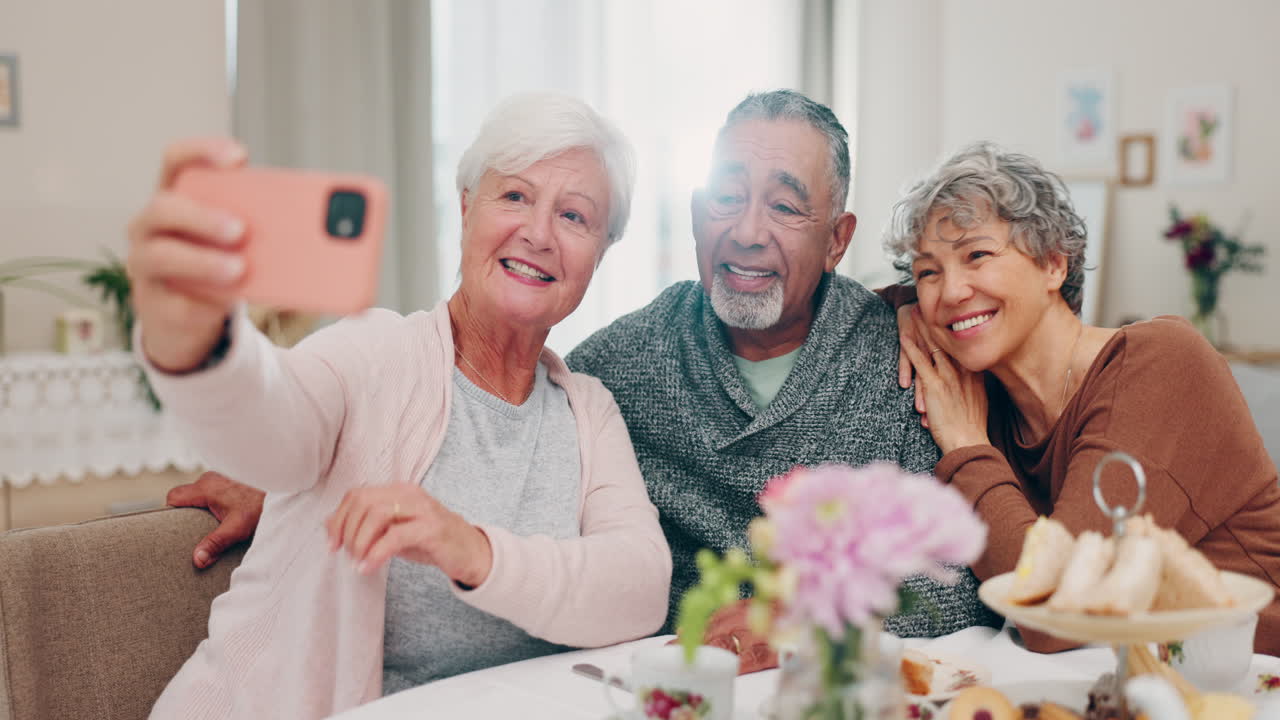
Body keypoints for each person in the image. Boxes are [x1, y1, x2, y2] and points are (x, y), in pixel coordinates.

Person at [169, 90, 1000, 674]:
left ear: (839, 235)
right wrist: (283, 482)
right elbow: (324, 415)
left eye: (785, 207)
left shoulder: (899, 360)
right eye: (725, 197)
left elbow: (955, 585)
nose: (746, 232)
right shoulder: (623, 366)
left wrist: (804, 617)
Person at [130, 93, 671, 719]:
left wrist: (471, 549)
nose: (540, 233)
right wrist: (198, 345)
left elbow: (639, 588)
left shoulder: (588, 412)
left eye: (575, 217)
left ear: (600, 255)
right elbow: (272, 426)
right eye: (515, 196)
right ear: (467, 208)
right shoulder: (374, 352)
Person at [885, 141, 1280, 654]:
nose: (952, 291)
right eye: (928, 272)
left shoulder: (1160, 363)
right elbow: (839, 311)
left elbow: (1060, 618)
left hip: (1252, 680)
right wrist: (900, 307)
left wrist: (964, 445)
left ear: (1054, 265)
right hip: (1131, 681)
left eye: (977, 255)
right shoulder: (994, 387)